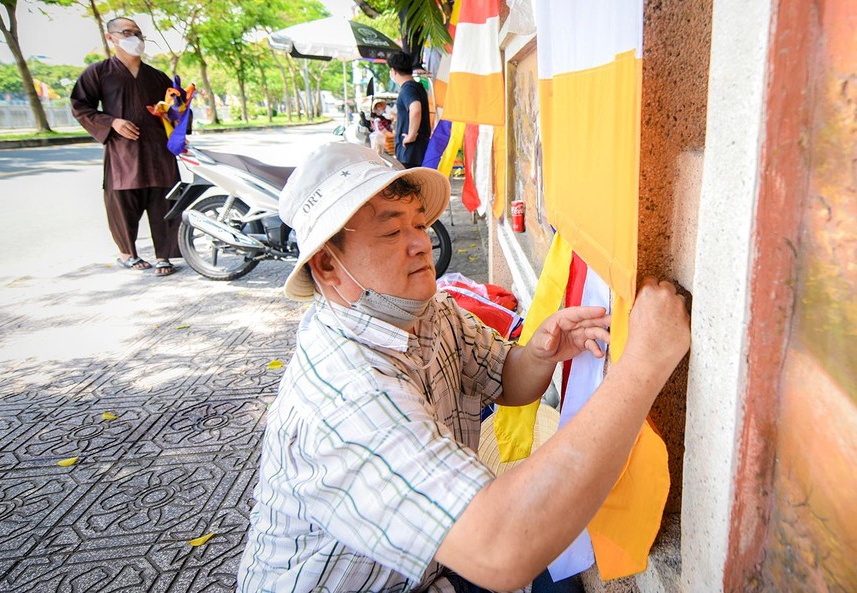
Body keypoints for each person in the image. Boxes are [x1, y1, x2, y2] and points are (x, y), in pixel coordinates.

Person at [236, 143, 692, 592]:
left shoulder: (428, 311)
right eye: (392, 233)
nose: (420, 244)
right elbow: (502, 549)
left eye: (419, 224)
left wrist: (539, 354)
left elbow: (506, 378)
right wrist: (645, 361)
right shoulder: (344, 394)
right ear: (328, 265)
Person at [71, 17, 181, 276]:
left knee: (163, 199)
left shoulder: (157, 76)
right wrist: (112, 123)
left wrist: (171, 114)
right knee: (122, 201)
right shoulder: (98, 73)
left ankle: (163, 255)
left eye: (139, 34)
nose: (136, 38)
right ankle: (127, 253)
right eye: (128, 32)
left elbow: (177, 109)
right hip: (123, 151)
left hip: (157, 150)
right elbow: (80, 106)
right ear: (111, 38)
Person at [387, 51, 431, 168]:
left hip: (410, 151)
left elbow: (415, 109)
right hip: (417, 151)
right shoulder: (417, 87)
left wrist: (411, 135)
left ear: (394, 71)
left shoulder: (408, 88)